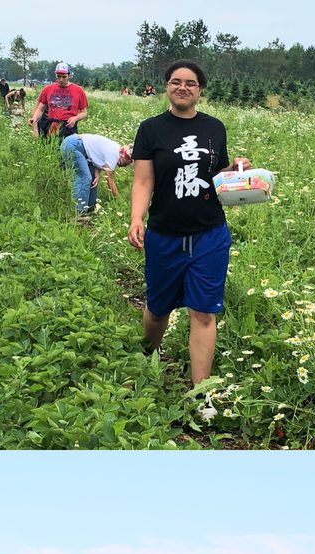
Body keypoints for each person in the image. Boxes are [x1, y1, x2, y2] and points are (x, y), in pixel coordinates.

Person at [127, 59, 252, 386]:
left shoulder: (215, 128)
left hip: (209, 233)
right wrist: (136, 218)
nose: (182, 87)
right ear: (166, 86)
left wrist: (235, 169)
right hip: (164, 234)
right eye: (176, 82)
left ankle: (201, 392)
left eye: (190, 83)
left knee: (204, 311)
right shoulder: (150, 129)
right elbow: (143, 180)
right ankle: (148, 359)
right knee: (158, 308)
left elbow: (215, 176)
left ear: (200, 90)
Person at [60, 134, 133, 217]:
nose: (125, 166)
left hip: (80, 148)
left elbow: (97, 154)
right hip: (73, 146)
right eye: (128, 163)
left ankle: (90, 209)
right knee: (85, 178)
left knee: (93, 179)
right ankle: (79, 213)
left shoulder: (115, 149)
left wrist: (97, 173)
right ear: (124, 157)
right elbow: (109, 180)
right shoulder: (114, 154)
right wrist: (118, 200)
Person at [28, 63, 88, 140]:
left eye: (64, 77)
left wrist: (75, 118)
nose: (61, 79)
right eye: (58, 76)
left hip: (69, 125)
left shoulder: (78, 90)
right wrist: (34, 118)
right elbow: (40, 109)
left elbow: (84, 113)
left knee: (67, 146)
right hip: (52, 124)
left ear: (69, 75)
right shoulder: (48, 89)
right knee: (50, 145)